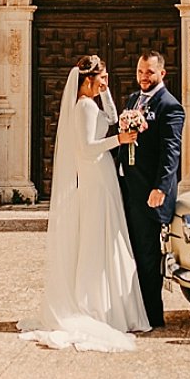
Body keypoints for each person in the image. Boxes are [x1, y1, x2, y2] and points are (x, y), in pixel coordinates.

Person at [18, 56, 150, 352]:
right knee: (98, 236)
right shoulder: (83, 108)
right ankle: (96, 307)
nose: (106, 81)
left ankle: (111, 307)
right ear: (87, 80)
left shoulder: (93, 102)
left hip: (103, 174)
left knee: (107, 233)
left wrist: (106, 93)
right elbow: (87, 148)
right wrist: (120, 139)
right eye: (101, 77)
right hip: (95, 175)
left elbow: (113, 117)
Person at [118, 51, 185, 329]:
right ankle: (133, 311)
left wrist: (161, 188)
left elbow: (171, 152)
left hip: (149, 194)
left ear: (162, 74)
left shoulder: (170, 106)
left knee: (147, 255)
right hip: (128, 189)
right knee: (130, 251)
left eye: (150, 72)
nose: (144, 77)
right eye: (140, 72)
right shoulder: (134, 99)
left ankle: (152, 316)